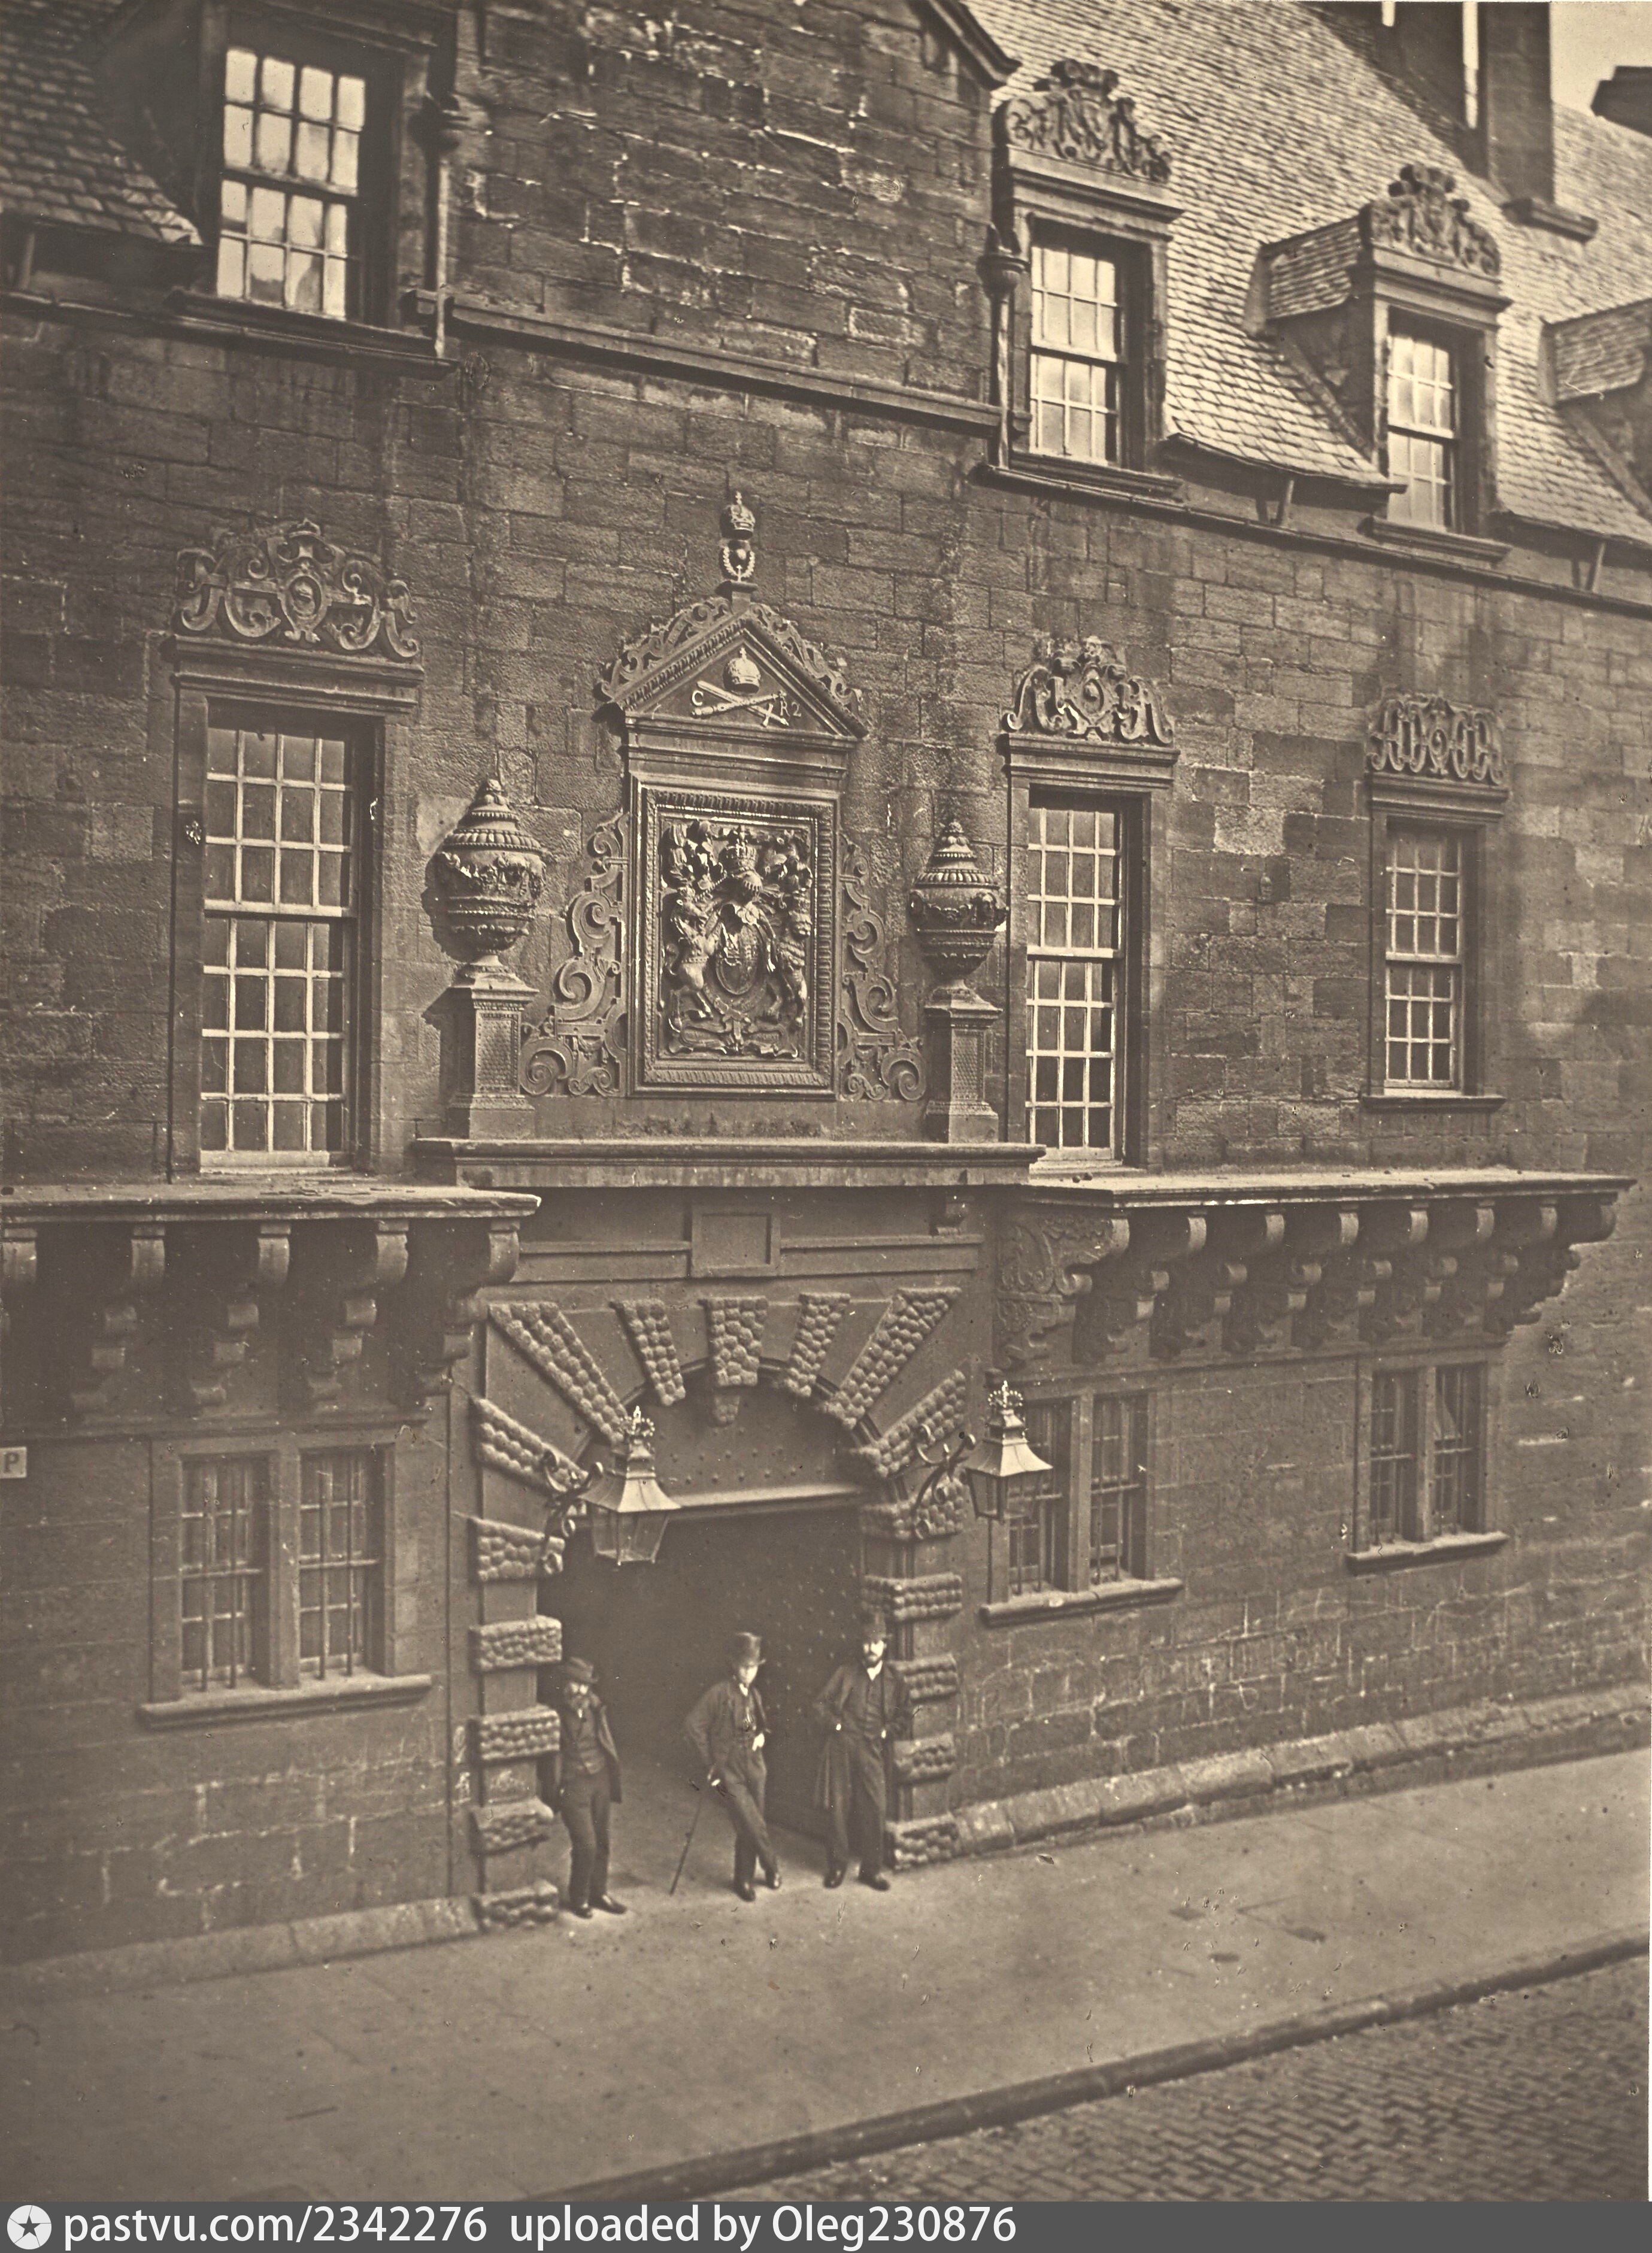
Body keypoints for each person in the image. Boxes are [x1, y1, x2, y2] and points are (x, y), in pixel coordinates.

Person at [813, 1611, 911, 1891]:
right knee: (838, 1809)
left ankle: (871, 1870)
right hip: (842, 1747)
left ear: (885, 1646)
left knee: (875, 1808)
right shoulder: (846, 1674)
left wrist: (887, 1732)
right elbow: (819, 1706)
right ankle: (837, 1866)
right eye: (867, 1643)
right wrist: (836, 1725)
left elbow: (906, 1715)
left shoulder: (895, 1680)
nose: (871, 1648)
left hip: (872, 1750)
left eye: (876, 1643)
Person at [683, 1630, 781, 1901]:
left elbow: (763, 1725)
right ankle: (769, 1868)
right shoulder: (719, 1694)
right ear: (735, 1666)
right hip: (730, 1769)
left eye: (754, 1668)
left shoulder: (755, 1694)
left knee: (753, 1822)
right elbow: (693, 1726)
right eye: (744, 1667)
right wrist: (710, 1762)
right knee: (750, 1821)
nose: (749, 1673)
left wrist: (761, 1736)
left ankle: (745, 1877)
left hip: (755, 1767)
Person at [546, 1656, 626, 1919]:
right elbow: (551, 1757)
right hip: (574, 1783)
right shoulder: (555, 1715)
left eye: (586, 1685)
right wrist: (555, 1787)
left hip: (600, 1779)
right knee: (586, 1844)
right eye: (576, 1684)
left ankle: (598, 1893)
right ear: (565, 1684)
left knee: (602, 1840)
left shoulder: (595, 1707)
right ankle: (579, 1897)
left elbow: (606, 1740)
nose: (581, 1690)